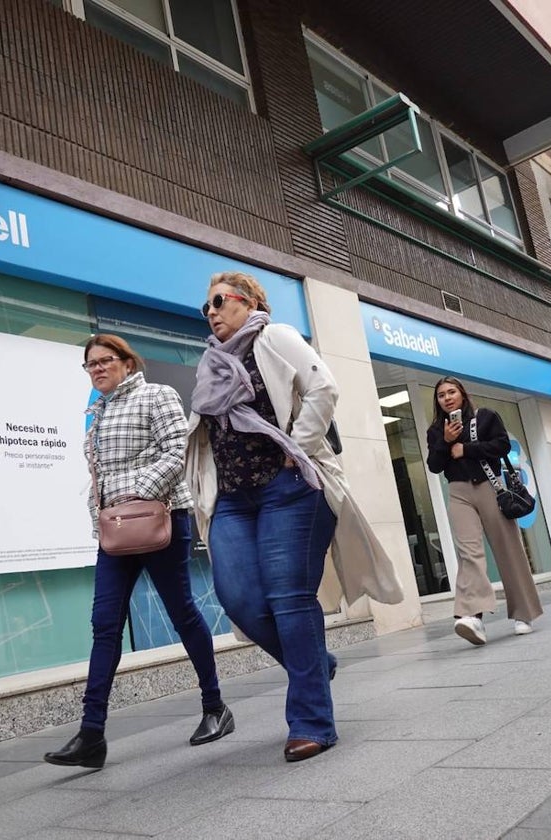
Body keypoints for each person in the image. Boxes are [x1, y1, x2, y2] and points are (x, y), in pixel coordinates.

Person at [185, 271, 404, 763]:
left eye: (220, 301)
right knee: (237, 598)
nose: (212, 312)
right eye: (207, 307)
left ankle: (311, 722)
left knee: (288, 598)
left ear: (250, 302)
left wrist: (297, 448)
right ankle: (313, 662)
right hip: (233, 500)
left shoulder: (275, 337)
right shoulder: (212, 362)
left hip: (289, 488)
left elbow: (323, 388)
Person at [44, 335, 233, 770]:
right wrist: (105, 515)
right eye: (89, 364)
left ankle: (215, 707)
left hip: (162, 520)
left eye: (104, 361)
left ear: (127, 363)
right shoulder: (97, 412)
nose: (96, 369)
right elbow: (100, 478)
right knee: (104, 623)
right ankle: (92, 734)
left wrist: (134, 494)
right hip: (116, 533)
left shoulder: (157, 395)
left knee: (182, 611)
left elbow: (176, 453)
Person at [425, 375, 543, 645]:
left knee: (508, 549)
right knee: (468, 554)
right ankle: (472, 617)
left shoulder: (485, 417)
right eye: (441, 395)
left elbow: (502, 445)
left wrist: (465, 448)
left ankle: (524, 614)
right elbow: (434, 465)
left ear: (462, 394)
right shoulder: (436, 430)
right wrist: (444, 441)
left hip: (491, 487)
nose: (446, 398)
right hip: (458, 492)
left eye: (451, 392)